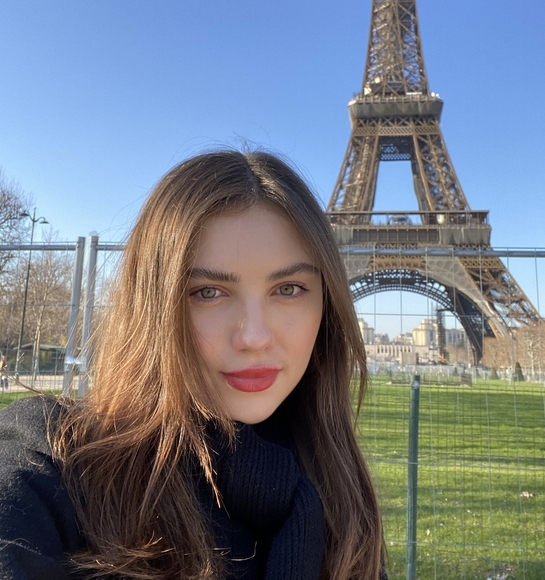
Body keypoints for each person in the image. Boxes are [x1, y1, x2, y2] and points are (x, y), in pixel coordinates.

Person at [0, 150, 386, 579]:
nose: (254, 337)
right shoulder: (53, 457)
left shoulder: (341, 497)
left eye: (289, 288)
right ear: (153, 307)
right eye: (208, 292)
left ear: (327, 307)